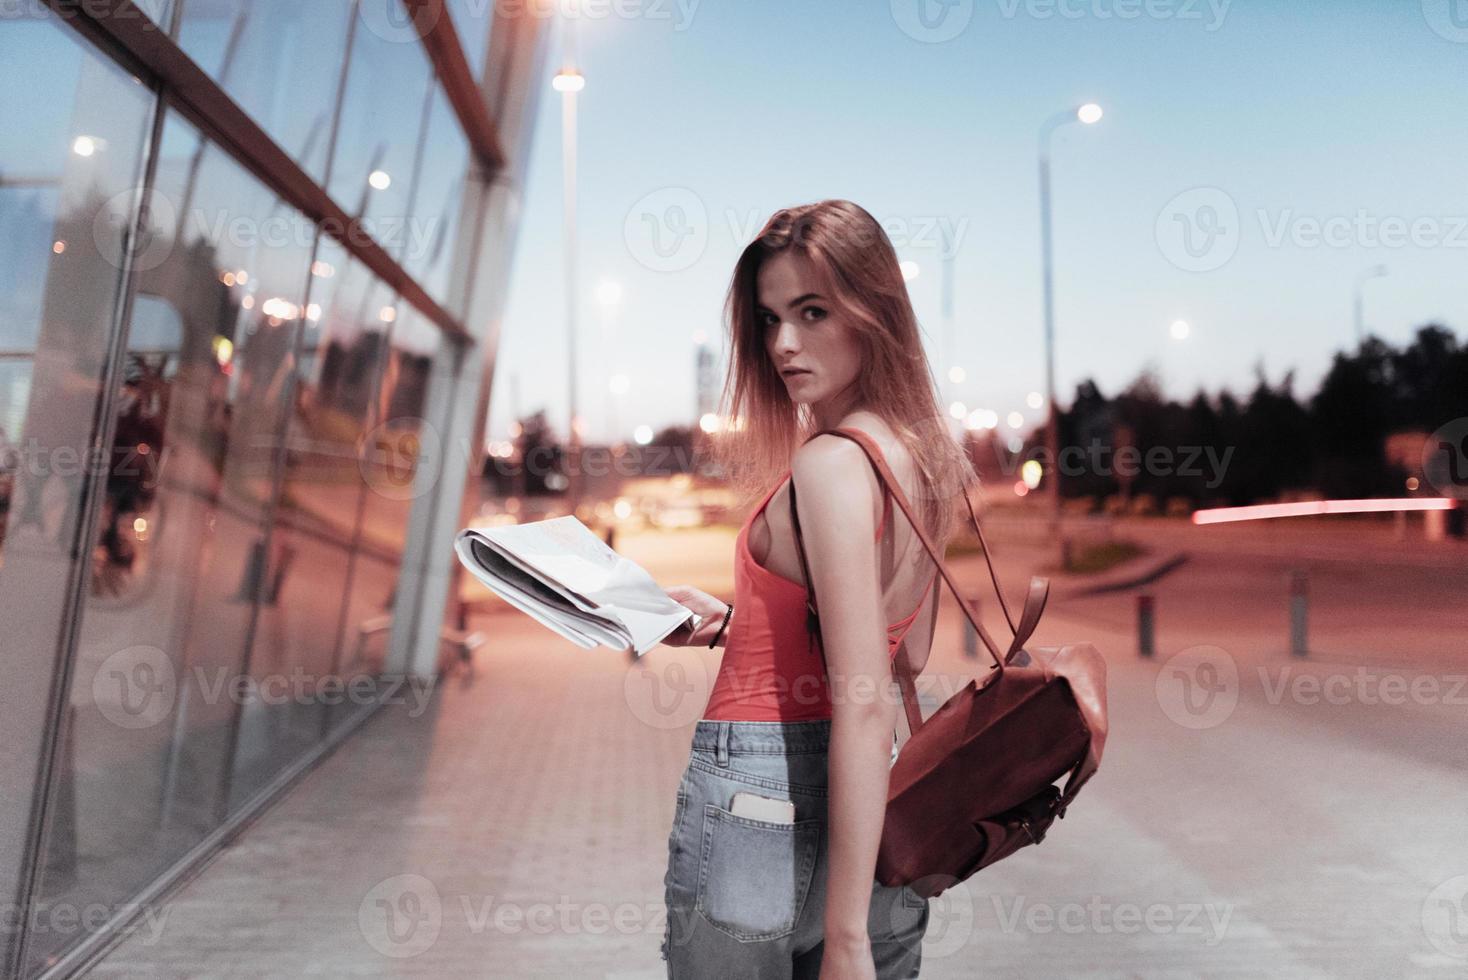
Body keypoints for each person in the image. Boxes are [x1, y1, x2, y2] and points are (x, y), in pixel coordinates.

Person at [658, 200, 977, 978]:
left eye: (812, 312)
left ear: (875, 313)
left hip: (760, 790)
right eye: (769, 320)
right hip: (877, 807)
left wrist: (846, 942)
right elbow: (909, 646)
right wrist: (744, 623)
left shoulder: (831, 463)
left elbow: (864, 697)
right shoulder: (925, 458)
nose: (784, 345)